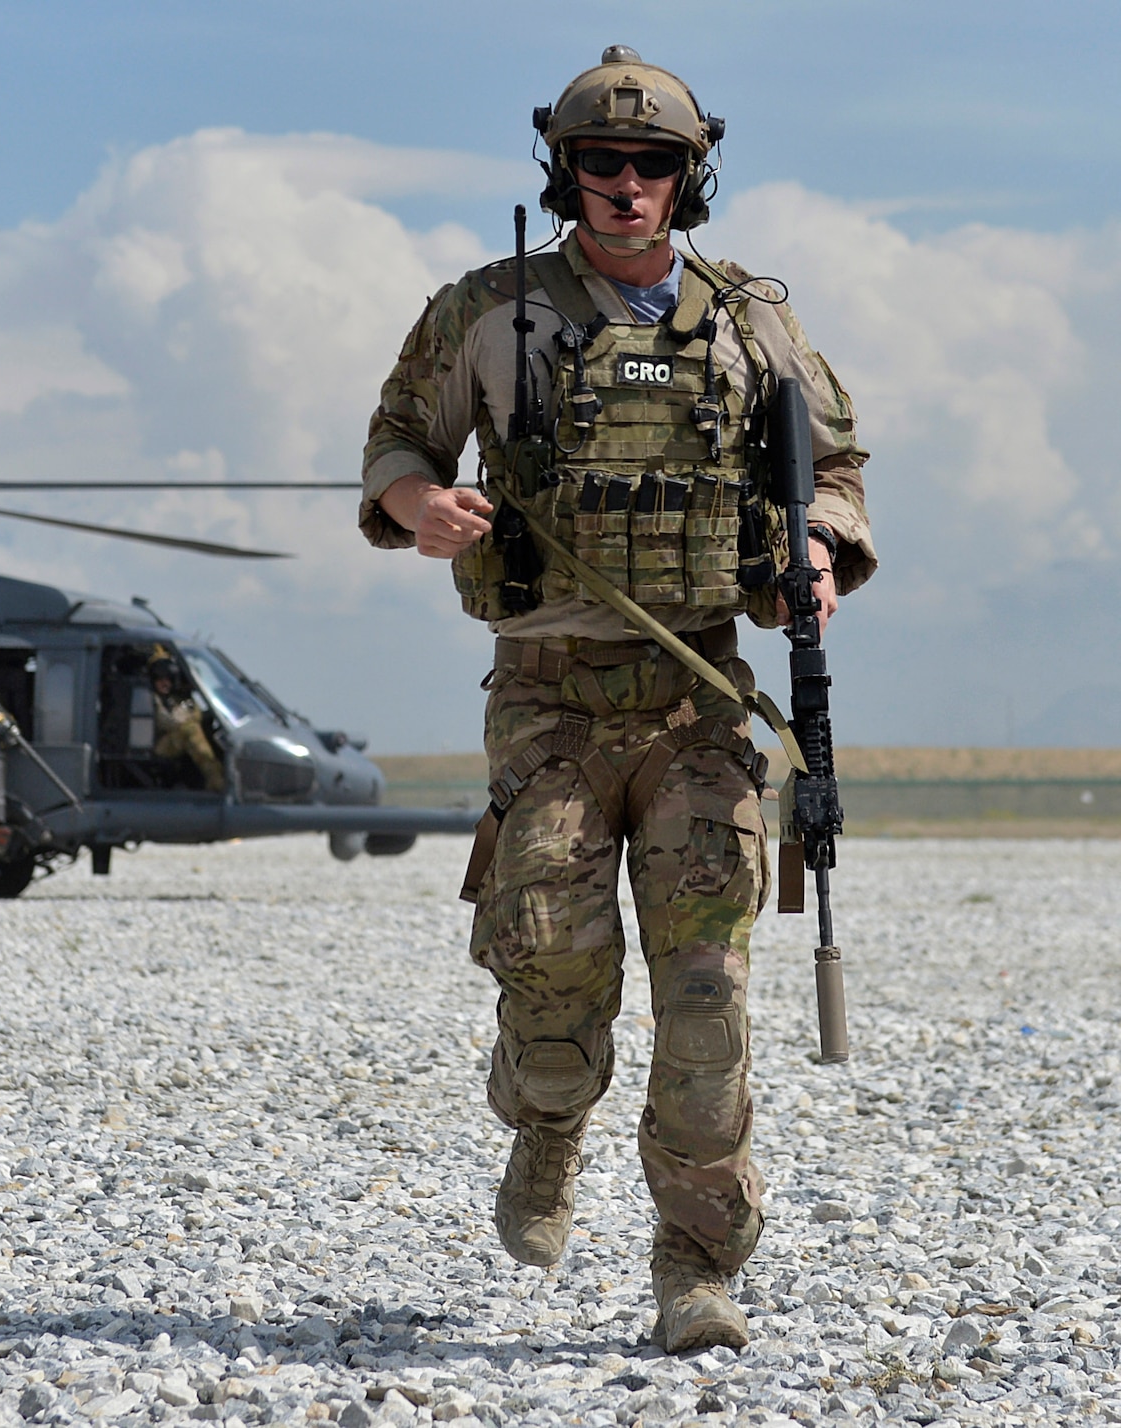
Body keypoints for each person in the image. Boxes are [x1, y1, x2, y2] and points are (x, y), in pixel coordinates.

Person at [358, 47, 875, 1351]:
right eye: (602, 162)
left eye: (652, 164)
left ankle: (693, 1267)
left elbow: (836, 464)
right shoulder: (487, 311)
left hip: (699, 691)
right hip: (548, 700)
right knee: (551, 971)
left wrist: (817, 548)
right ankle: (545, 1120)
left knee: (706, 995)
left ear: (689, 176)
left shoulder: (752, 318)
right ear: (565, 170)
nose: (626, 185)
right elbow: (397, 441)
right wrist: (421, 504)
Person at [149, 655, 226, 793]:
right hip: (156, 745)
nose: (165, 683)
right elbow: (166, 722)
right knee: (189, 730)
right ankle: (216, 781)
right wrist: (189, 719)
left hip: (168, 741)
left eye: (168, 679)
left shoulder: (173, 699)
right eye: (160, 679)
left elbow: (193, 715)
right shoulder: (152, 699)